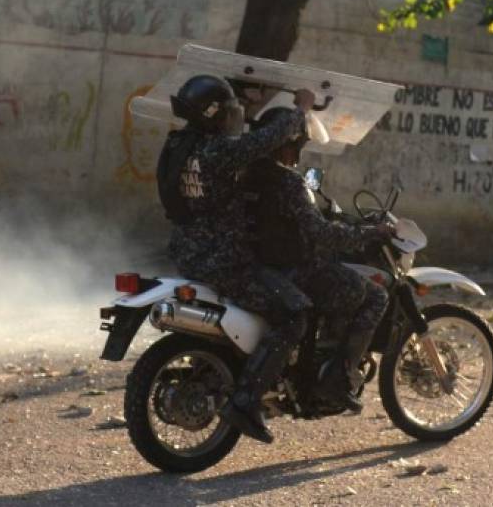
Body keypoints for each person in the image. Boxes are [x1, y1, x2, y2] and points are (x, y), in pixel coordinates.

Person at [157, 75, 316, 444]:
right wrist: (301, 109)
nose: (235, 117)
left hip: (188, 254)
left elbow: (237, 139)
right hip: (225, 261)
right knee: (294, 313)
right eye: (229, 111)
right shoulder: (219, 152)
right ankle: (245, 402)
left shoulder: (181, 145)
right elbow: (261, 142)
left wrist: (250, 101)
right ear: (215, 115)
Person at [244, 106, 392, 412]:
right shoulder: (288, 183)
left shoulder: (244, 175)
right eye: (297, 145)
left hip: (256, 267)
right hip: (293, 271)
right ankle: (338, 380)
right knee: (375, 297)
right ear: (283, 144)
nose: (299, 152)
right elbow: (321, 234)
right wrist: (369, 233)